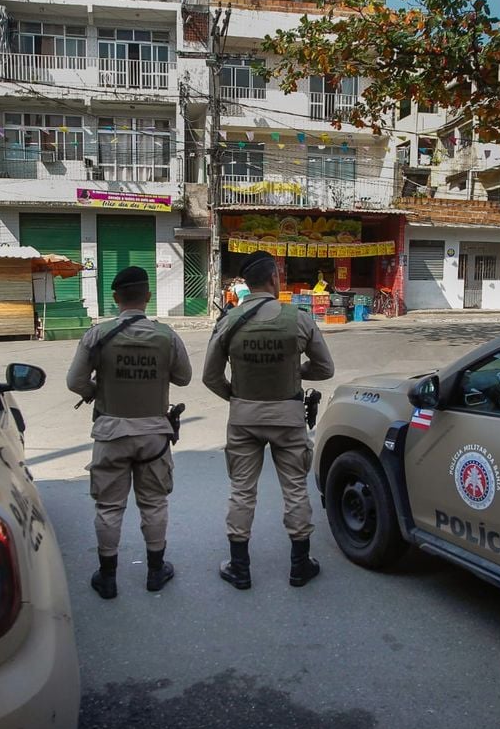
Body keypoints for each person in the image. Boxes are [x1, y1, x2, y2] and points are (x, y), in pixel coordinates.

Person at [202, 250, 335, 590]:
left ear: (246, 284)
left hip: (244, 417)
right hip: (289, 417)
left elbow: (210, 377)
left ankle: (240, 566)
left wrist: (237, 395)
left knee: (242, 492)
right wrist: (295, 371)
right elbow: (324, 368)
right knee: (295, 490)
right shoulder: (298, 318)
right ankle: (300, 565)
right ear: (275, 279)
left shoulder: (229, 321)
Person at [67, 266, 192, 599]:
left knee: (109, 508)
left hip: (111, 433)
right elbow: (183, 378)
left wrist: (97, 391)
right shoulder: (166, 335)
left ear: (115, 298)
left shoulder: (97, 335)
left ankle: (107, 578)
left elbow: (74, 382)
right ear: (148, 297)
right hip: (154, 435)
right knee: (153, 504)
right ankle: (155, 572)